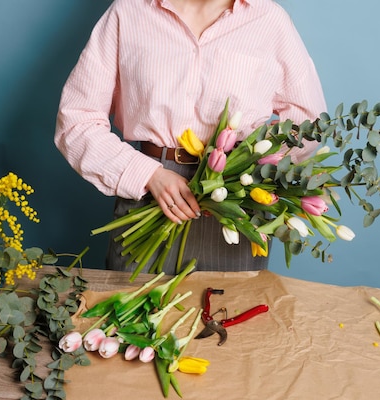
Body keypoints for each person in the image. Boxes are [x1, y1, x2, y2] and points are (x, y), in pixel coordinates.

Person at [54, 0, 327, 274]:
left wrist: (250, 170)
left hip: (235, 202)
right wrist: (148, 174)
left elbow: (309, 121)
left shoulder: (269, 19)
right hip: (149, 193)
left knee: (230, 310)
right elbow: (77, 120)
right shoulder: (129, 11)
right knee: (133, 309)